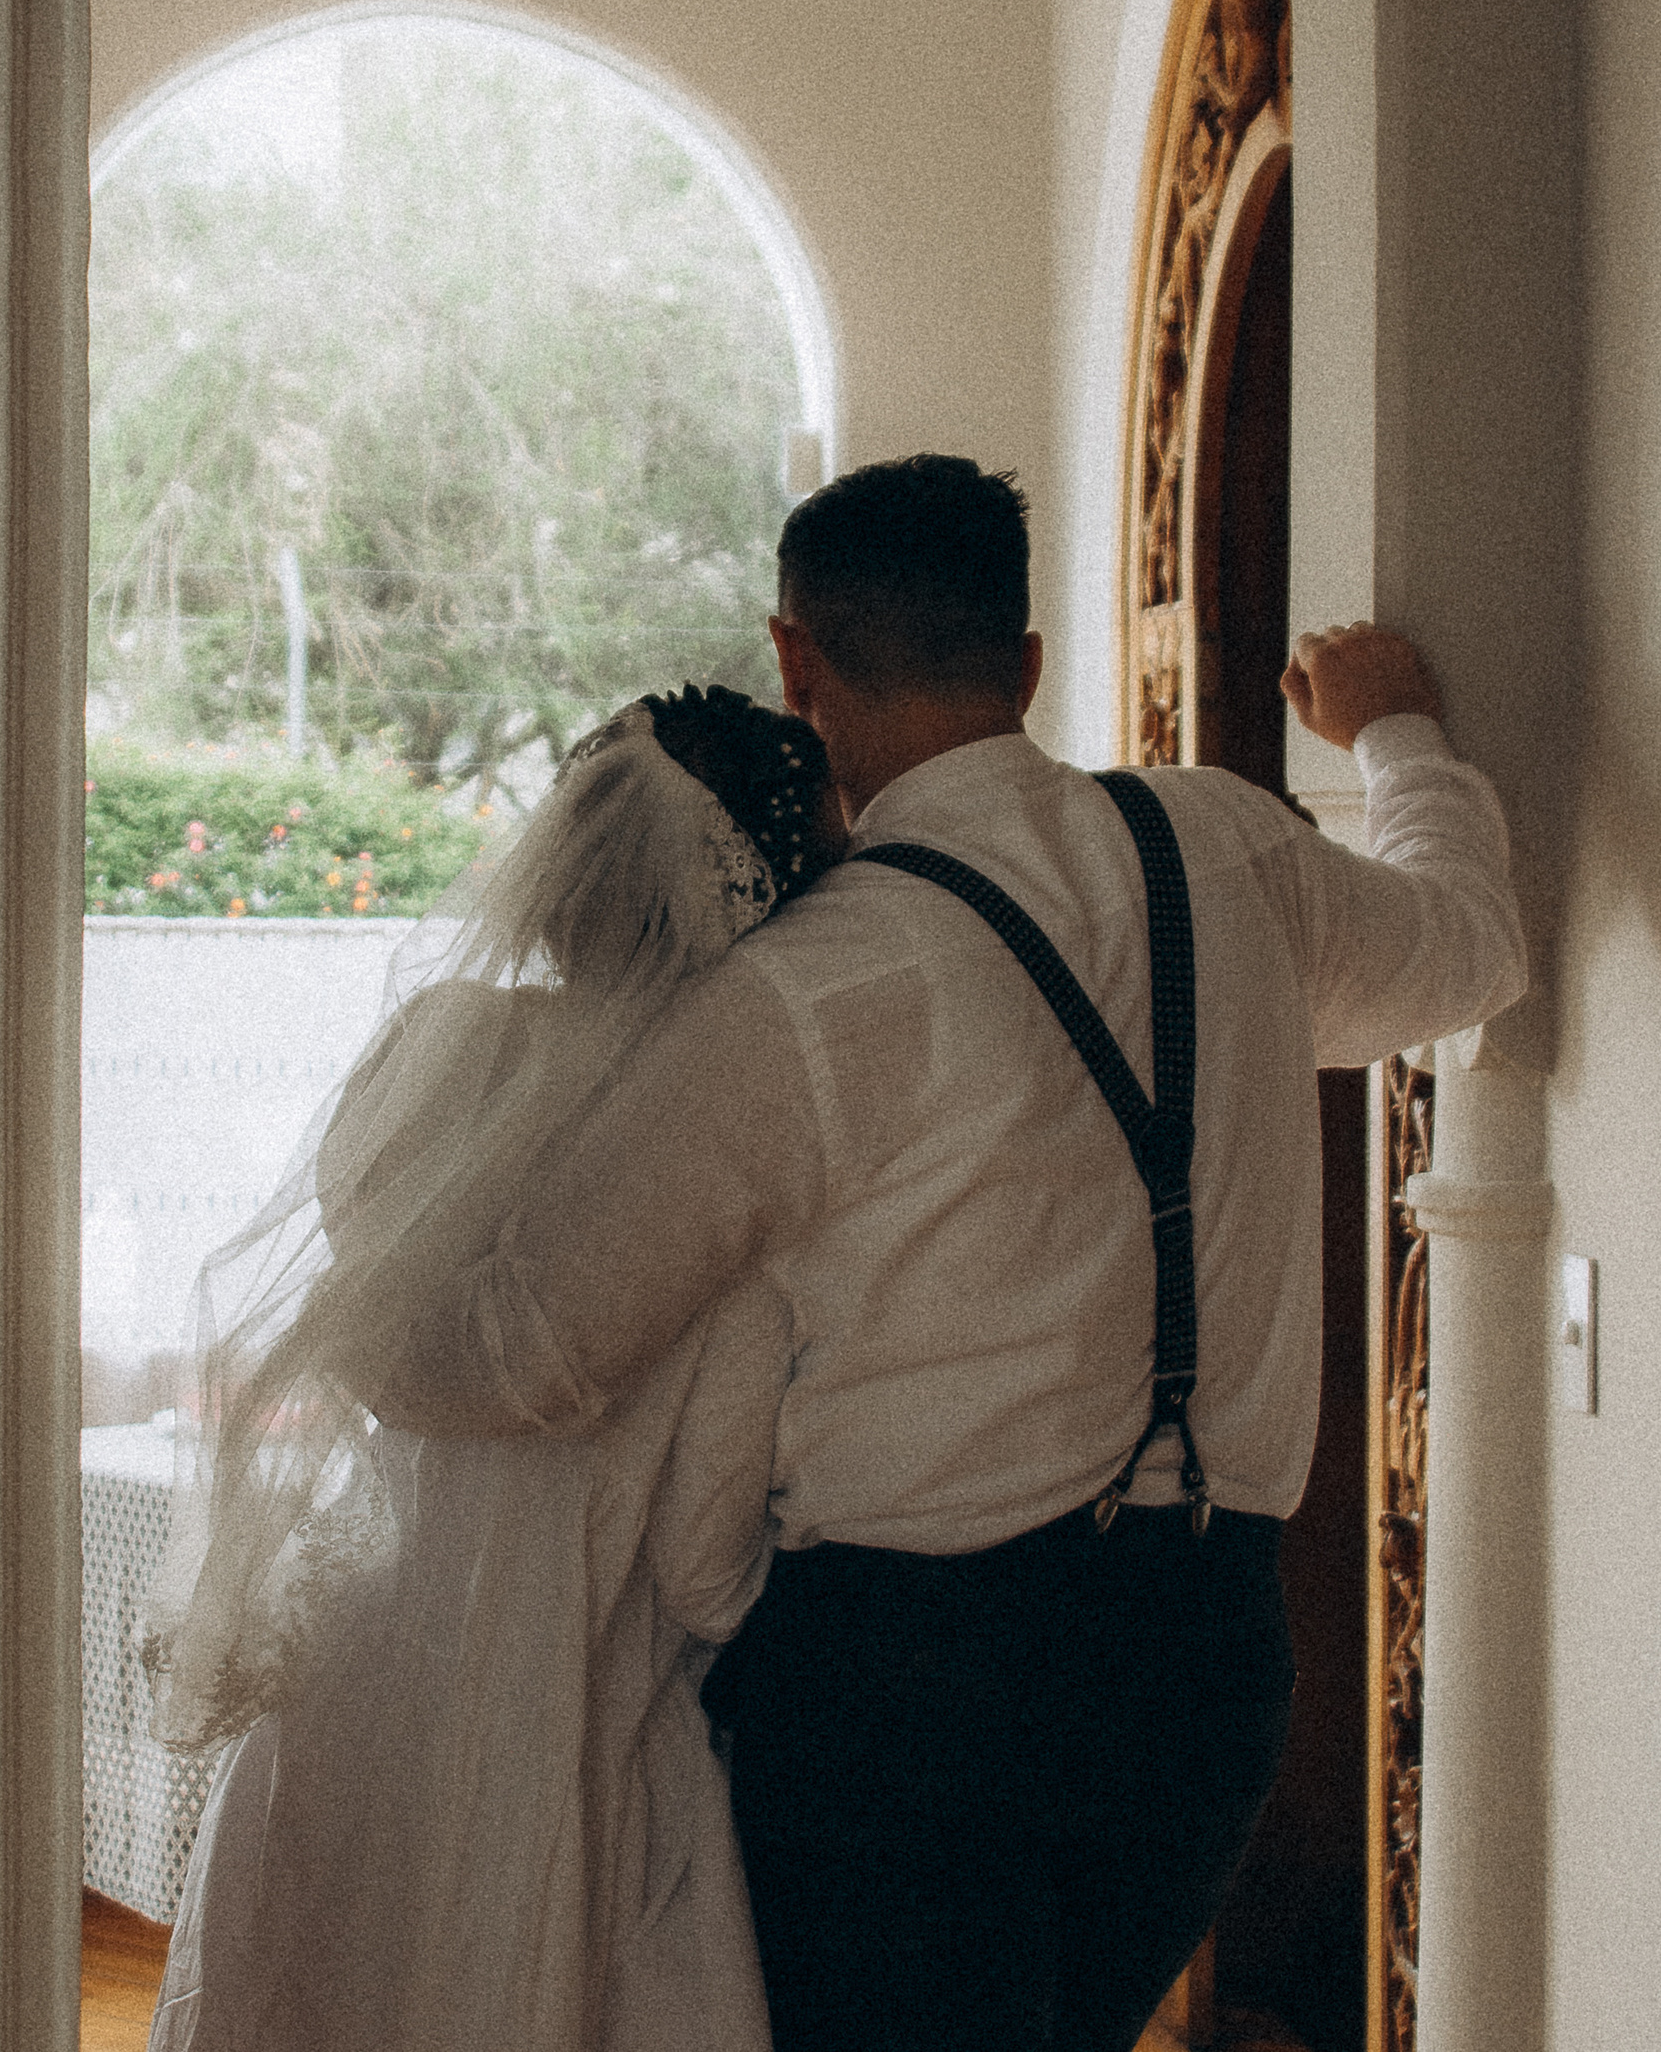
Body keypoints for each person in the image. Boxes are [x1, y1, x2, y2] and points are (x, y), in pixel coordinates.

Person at [350, 454, 1526, 2052]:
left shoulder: (795, 994)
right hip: (1210, 1672)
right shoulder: (1226, 849)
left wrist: (347, 1304)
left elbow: (525, 1354)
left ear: (796, 660)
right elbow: (1471, 949)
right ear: (1028, 662)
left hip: (906, 1696)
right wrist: (1396, 725)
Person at [138, 684, 845, 2052]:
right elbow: (704, 1569)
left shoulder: (436, 1053)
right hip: (577, 1745)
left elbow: (373, 1329)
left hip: (362, 1673)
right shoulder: (716, 1164)